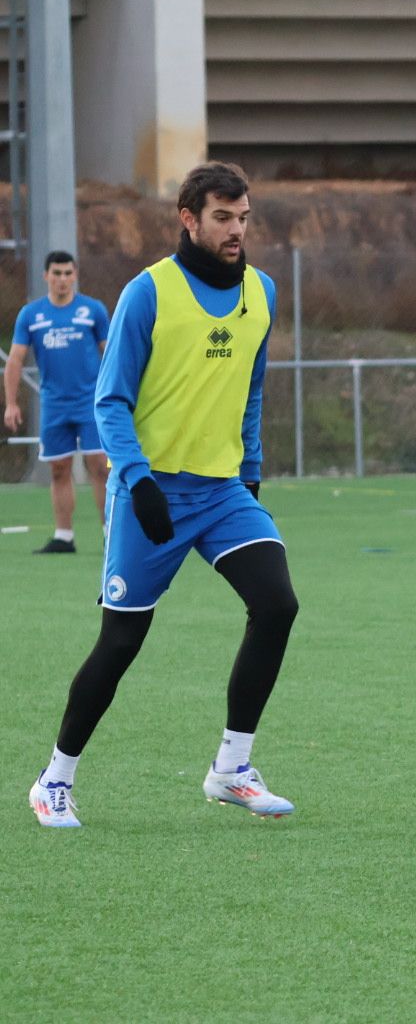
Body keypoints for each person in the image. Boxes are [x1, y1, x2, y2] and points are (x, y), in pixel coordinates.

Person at [27, 162, 299, 828]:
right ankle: (54, 779)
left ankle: (231, 769)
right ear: (189, 218)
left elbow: (252, 391)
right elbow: (110, 399)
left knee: (277, 604)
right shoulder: (148, 293)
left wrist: (252, 468)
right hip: (151, 492)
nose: (237, 231)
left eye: (243, 219)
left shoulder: (260, 292)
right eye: (222, 219)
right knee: (121, 642)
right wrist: (138, 478)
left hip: (222, 491)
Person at [4, 251, 111, 553]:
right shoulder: (31, 315)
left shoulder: (93, 310)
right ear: (45, 276)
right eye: (56, 273)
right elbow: (15, 359)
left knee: (100, 467)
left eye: (67, 273)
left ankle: (110, 534)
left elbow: (112, 353)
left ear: (75, 274)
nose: (62, 279)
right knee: (59, 469)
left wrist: (120, 395)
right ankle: (64, 536)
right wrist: (11, 403)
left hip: (91, 403)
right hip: (54, 405)